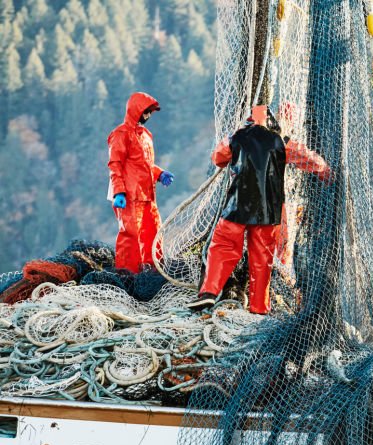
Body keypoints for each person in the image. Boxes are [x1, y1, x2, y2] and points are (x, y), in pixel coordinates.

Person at [188, 105, 330, 314]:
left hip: (236, 207)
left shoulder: (237, 138)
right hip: (267, 211)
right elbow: (310, 159)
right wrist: (325, 172)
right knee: (262, 260)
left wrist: (234, 138)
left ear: (249, 120)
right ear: (271, 122)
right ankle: (259, 308)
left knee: (222, 249)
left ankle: (208, 294)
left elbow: (218, 158)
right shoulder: (280, 141)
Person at [107, 91, 173, 273]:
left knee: (154, 231)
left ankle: (155, 270)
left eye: (150, 112)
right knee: (131, 236)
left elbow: (144, 164)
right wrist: (118, 192)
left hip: (148, 194)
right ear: (136, 110)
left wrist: (159, 173)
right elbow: (115, 165)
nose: (149, 115)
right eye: (146, 111)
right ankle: (128, 274)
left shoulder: (146, 135)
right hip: (129, 195)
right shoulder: (120, 134)